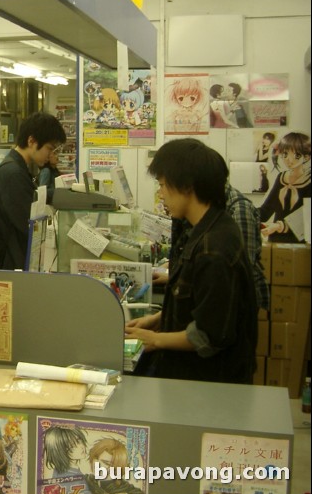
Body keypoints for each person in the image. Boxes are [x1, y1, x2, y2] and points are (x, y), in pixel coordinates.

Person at [126, 139, 257, 384]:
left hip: (209, 381)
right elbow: (201, 302)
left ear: (186, 186)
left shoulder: (214, 249)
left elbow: (209, 335)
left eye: (163, 185)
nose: (161, 194)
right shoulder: (207, 229)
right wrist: (157, 320)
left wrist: (154, 339)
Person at [153, 171, 271, 312]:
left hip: (236, 306)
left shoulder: (238, 209)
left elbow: (236, 275)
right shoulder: (205, 209)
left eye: (163, 186)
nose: (161, 194)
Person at [0, 112, 66, 270]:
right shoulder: (12, 174)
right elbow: (28, 225)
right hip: (10, 265)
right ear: (31, 141)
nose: (51, 155)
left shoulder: (18, 168)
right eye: (49, 148)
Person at [259, 131, 311, 243]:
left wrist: (278, 226)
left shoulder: (309, 180)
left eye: (296, 155)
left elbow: (306, 216)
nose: (289, 160)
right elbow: (266, 209)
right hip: (276, 239)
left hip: (301, 241)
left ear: (306, 157)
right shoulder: (282, 177)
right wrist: (247, 214)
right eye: (285, 154)